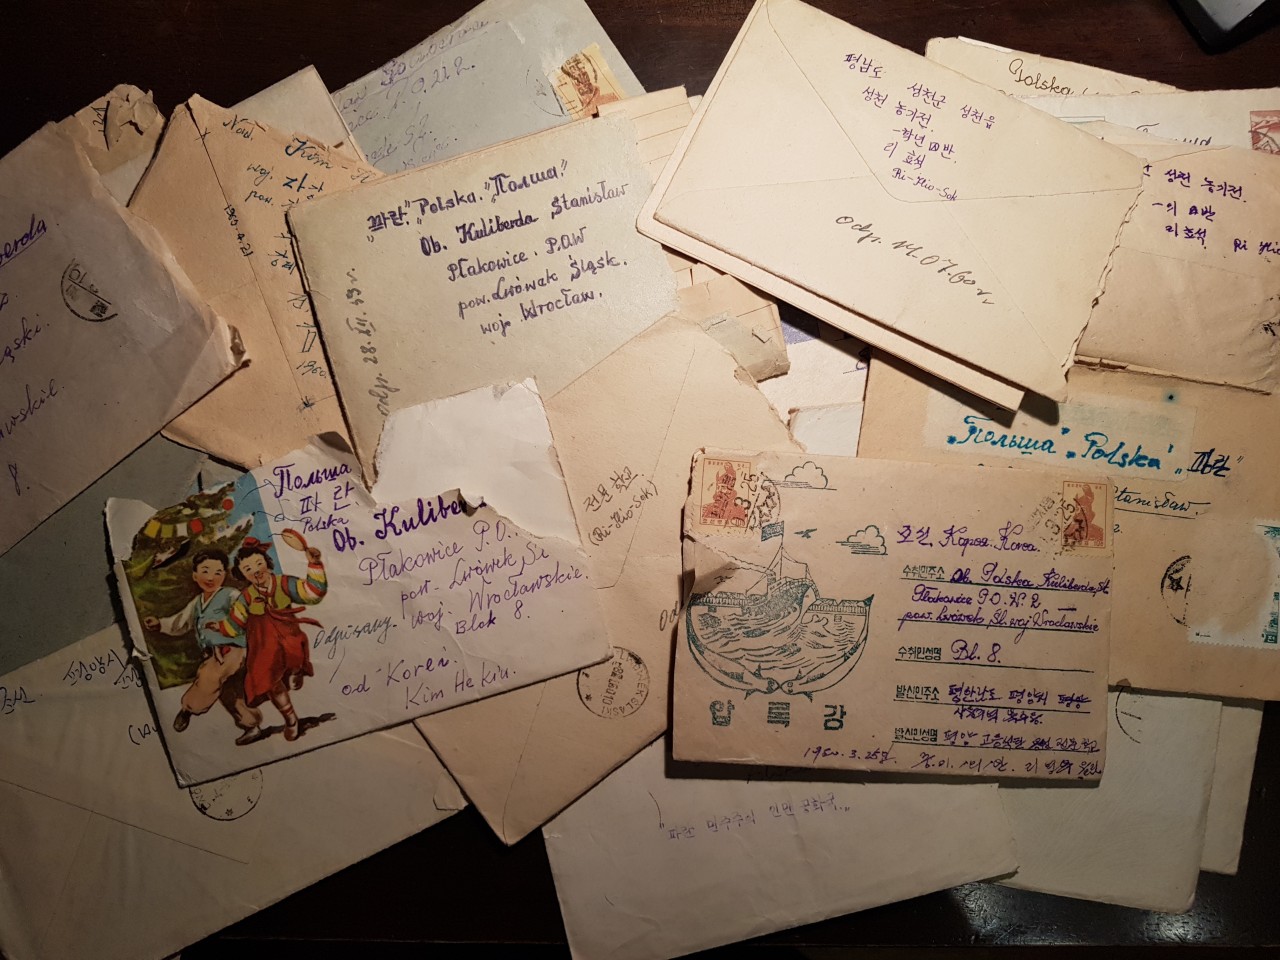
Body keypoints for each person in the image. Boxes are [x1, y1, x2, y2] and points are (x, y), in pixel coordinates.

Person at [143, 548, 265, 745]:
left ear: (224, 574)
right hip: (212, 654)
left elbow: (246, 611)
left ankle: (188, 708)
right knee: (229, 695)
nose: (210, 577)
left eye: (217, 572)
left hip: (233, 649)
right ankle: (251, 725)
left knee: (209, 675)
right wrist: (159, 624)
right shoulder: (197, 603)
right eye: (205, 571)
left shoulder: (230, 595)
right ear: (195, 575)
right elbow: (180, 622)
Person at [212, 537, 326, 742]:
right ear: (242, 574)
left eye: (258, 563)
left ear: (266, 562)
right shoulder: (246, 597)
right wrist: (218, 628)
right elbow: (234, 624)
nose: (256, 571)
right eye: (248, 569)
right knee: (270, 682)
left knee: (294, 658)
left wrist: (314, 564)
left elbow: (313, 594)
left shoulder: (284, 583)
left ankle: (296, 670)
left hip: (289, 639)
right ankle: (291, 720)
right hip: (263, 648)